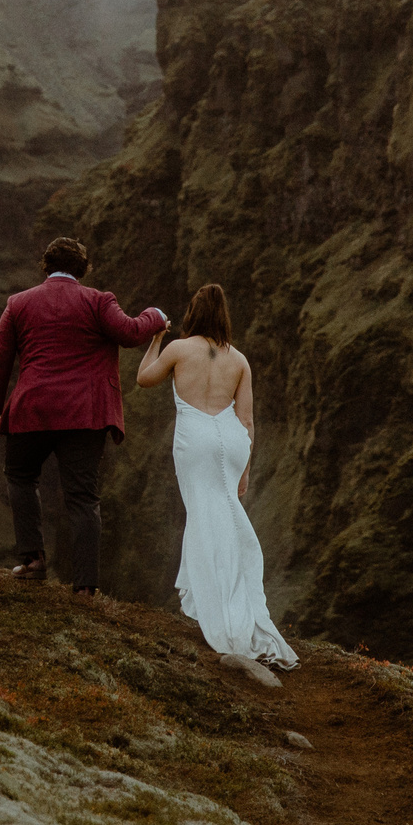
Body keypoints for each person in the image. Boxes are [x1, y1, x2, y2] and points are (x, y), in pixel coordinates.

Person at [0, 236, 169, 594]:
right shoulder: (98, 301)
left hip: (32, 409)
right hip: (86, 414)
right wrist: (155, 316)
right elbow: (130, 332)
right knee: (82, 498)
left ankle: (33, 561)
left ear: (46, 266)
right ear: (82, 270)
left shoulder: (18, 304)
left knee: (20, 476)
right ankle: (84, 588)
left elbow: (0, 361)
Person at [137, 283, 296, 668]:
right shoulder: (239, 360)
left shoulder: (178, 348)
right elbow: (247, 419)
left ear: (194, 314)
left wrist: (156, 339)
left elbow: (144, 378)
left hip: (196, 440)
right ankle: (239, 599)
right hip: (231, 442)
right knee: (225, 514)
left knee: (204, 517)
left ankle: (218, 608)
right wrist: (244, 470)